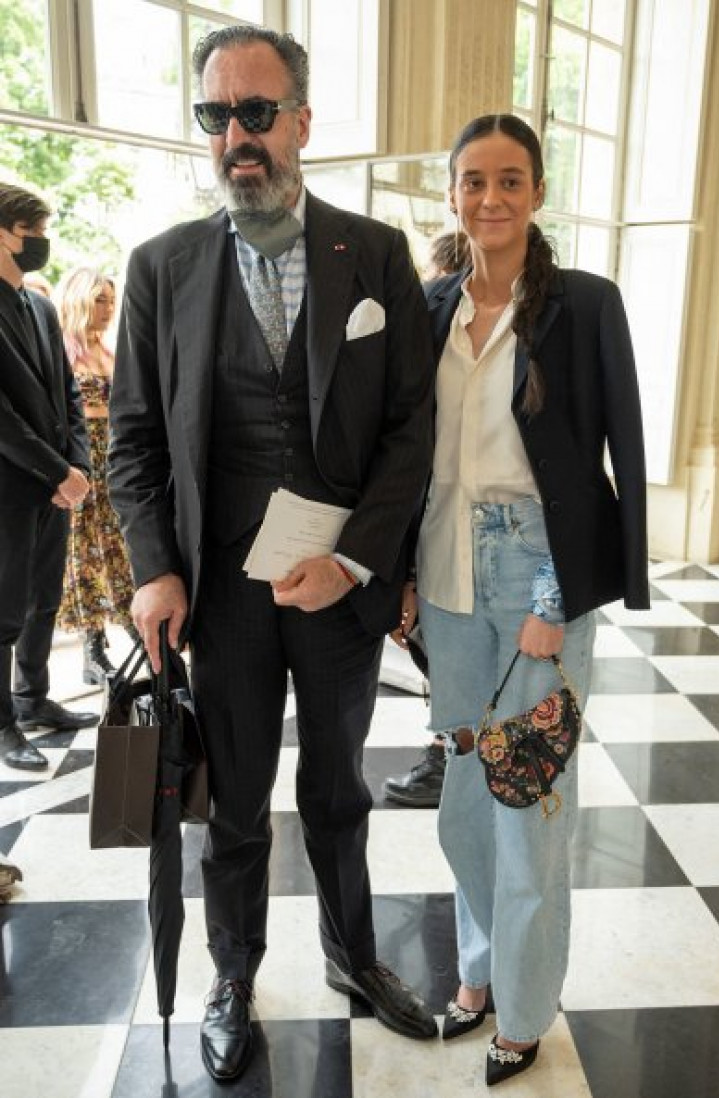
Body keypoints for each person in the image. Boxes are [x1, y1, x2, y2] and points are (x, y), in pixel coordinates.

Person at [107, 26, 437, 1085]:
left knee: (339, 787)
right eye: (216, 117)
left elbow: (409, 427)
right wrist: (154, 566)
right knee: (233, 801)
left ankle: (352, 955)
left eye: (256, 113)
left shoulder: (373, 252)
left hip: (339, 589)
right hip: (224, 598)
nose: (237, 137)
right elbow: (133, 438)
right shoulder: (162, 266)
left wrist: (354, 561)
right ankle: (233, 976)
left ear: (301, 119)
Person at [395, 114, 649, 1086]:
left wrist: (561, 593)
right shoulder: (429, 307)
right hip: (446, 571)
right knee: (464, 798)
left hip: (534, 569)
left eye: (508, 181)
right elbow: (407, 460)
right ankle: (477, 974)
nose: (489, 199)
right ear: (451, 195)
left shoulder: (582, 304)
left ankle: (525, 1005)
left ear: (535, 193)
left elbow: (601, 458)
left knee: (530, 796)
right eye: (471, 182)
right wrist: (405, 580)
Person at [0, 183, 98, 773]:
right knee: (3, 610)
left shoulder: (38, 306)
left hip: (56, 484)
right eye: (32, 231)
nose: (41, 242)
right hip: (9, 486)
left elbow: (67, 393)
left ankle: (32, 699)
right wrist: (56, 469)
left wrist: (79, 467)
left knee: (44, 601)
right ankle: (3, 725)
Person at [382, 228, 469, 809]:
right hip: (433, 513)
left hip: (444, 516)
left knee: (445, 654)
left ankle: (447, 762)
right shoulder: (438, 315)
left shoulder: (435, 312)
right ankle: (451, 759)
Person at [54, 267, 134, 684]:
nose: (107, 308)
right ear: (79, 299)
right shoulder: (61, 350)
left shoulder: (109, 350)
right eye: (99, 299)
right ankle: (93, 646)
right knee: (82, 555)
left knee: (118, 549)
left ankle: (133, 630)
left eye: (110, 300)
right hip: (82, 460)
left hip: (113, 461)